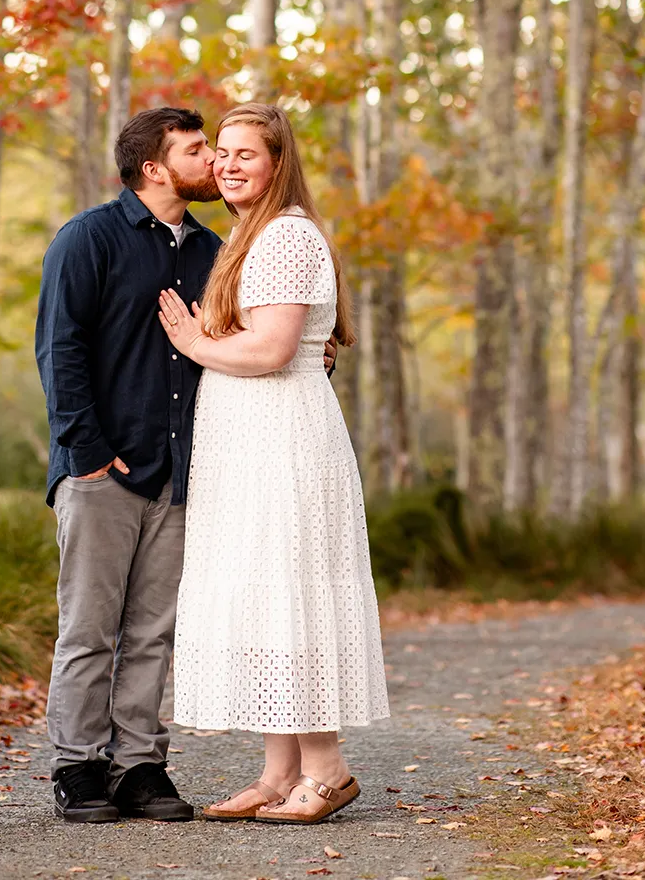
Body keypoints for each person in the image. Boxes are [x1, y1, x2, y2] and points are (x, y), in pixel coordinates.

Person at [159, 103, 389, 825]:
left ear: (278, 162)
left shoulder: (286, 236)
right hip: (249, 441)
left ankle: (328, 770)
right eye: (220, 152)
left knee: (290, 595)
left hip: (282, 440)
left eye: (245, 154)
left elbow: (271, 350)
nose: (227, 164)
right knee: (264, 598)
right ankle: (278, 770)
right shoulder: (252, 234)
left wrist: (195, 345)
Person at [35, 106, 222, 825]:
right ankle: (78, 766)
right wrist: (86, 454)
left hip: (181, 469)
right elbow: (60, 348)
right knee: (90, 627)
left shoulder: (211, 251)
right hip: (102, 472)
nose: (211, 160)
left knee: (153, 630)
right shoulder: (89, 238)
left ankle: (139, 766)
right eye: (197, 149)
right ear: (154, 166)